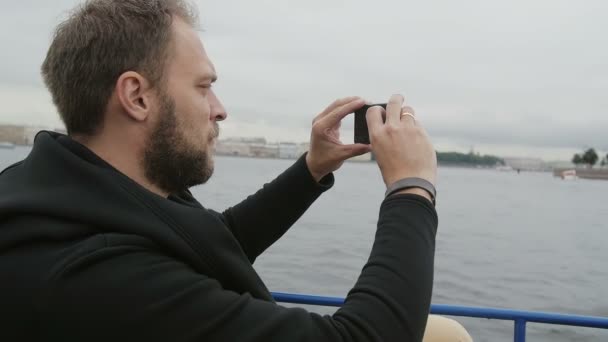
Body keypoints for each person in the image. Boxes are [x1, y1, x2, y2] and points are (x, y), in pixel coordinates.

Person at [0, 0, 440, 341]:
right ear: (136, 96)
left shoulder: (73, 194)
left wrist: (312, 169)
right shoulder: (97, 279)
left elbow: (212, 242)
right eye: (204, 86)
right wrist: (411, 187)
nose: (220, 109)